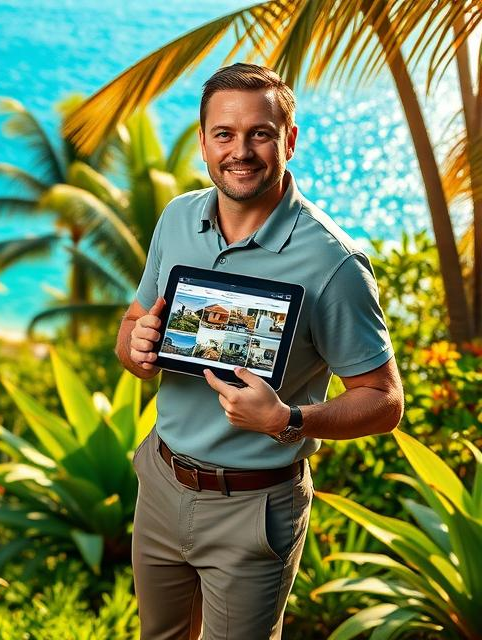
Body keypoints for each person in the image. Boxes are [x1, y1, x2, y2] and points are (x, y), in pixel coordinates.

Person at [114, 63, 404, 639]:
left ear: (288, 141)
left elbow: (384, 400)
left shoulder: (334, 263)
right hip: (162, 480)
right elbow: (133, 322)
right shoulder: (176, 218)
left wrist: (288, 420)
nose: (239, 151)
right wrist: (137, 347)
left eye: (260, 134)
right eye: (224, 134)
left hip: (254, 508)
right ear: (203, 143)